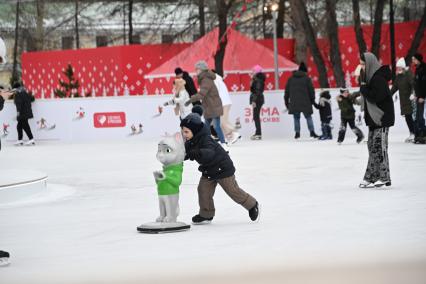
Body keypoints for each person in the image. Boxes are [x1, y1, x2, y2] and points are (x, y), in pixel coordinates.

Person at [180, 112, 259, 224]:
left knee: (233, 191)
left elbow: (209, 152)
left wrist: (196, 153)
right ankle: (206, 214)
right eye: (183, 131)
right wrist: (179, 156)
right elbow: (185, 152)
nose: (184, 134)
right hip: (209, 170)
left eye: (186, 132)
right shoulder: (190, 141)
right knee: (203, 190)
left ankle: (252, 205)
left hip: (222, 169)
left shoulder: (206, 139)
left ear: (195, 130)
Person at [358, 52, 395, 188]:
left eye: (363, 64)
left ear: (370, 64)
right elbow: (368, 94)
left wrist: (364, 89)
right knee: (372, 147)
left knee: (380, 148)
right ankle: (371, 177)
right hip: (374, 119)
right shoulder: (370, 78)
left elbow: (376, 97)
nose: (361, 67)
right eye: (361, 64)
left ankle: (384, 177)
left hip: (382, 118)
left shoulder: (378, 79)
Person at [184, 60, 228, 150]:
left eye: (197, 69)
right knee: (206, 127)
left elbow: (201, 94)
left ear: (201, 69)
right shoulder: (204, 78)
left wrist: (190, 99)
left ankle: (224, 144)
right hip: (209, 106)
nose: (196, 70)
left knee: (216, 126)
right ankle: (206, 143)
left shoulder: (206, 79)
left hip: (213, 106)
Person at [285, 62, 319, 139]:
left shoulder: (291, 79)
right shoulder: (307, 79)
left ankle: (297, 133)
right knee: (308, 117)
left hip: (294, 102)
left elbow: (287, 92)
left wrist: (286, 102)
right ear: (305, 71)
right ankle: (312, 132)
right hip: (305, 102)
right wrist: (312, 100)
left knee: (296, 118)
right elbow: (311, 90)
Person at [212, 70, 241, 144]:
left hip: (224, 103)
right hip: (224, 103)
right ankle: (230, 135)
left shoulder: (215, 81)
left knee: (222, 122)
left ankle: (234, 133)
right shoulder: (217, 80)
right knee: (222, 121)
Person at [390, 57, 415, 142]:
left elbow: (413, 84)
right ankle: (412, 133)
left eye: (400, 67)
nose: (398, 69)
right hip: (403, 101)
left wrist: (412, 93)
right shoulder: (399, 77)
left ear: (403, 67)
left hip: (411, 100)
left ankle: (415, 133)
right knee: (408, 117)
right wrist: (388, 95)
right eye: (397, 68)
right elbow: (394, 88)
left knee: (412, 117)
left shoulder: (408, 74)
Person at [412, 53, 426, 144]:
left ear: (418, 59)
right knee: (417, 116)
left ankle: (423, 135)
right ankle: (418, 135)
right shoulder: (417, 69)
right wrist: (416, 95)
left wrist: (422, 96)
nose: (413, 61)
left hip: (421, 97)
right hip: (418, 96)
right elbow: (417, 84)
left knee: (420, 117)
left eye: (414, 59)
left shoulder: (424, 69)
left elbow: (424, 84)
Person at [249, 65, 265, 140]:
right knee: (256, 117)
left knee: (256, 117)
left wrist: (254, 101)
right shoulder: (257, 79)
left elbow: (257, 91)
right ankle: (258, 133)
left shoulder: (258, 80)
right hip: (258, 99)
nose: (252, 72)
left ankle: (258, 133)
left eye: (254, 71)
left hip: (257, 100)